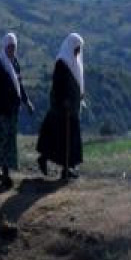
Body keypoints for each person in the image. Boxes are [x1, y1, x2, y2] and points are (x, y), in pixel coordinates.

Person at [0, 33, 34, 188]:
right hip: (1, 110)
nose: (12, 49)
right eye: (9, 47)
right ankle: (3, 174)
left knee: (8, 140)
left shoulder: (15, 63)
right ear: (4, 46)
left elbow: (19, 86)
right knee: (2, 140)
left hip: (12, 109)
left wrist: (27, 102)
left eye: (14, 47)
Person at [37, 33, 84, 180]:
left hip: (73, 109)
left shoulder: (75, 62)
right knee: (59, 138)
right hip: (61, 109)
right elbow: (57, 85)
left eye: (79, 49)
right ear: (71, 47)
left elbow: (78, 83)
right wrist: (64, 100)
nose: (78, 51)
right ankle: (45, 159)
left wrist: (80, 96)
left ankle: (67, 169)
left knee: (70, 139)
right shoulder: (62, 62)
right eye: (76, 48)